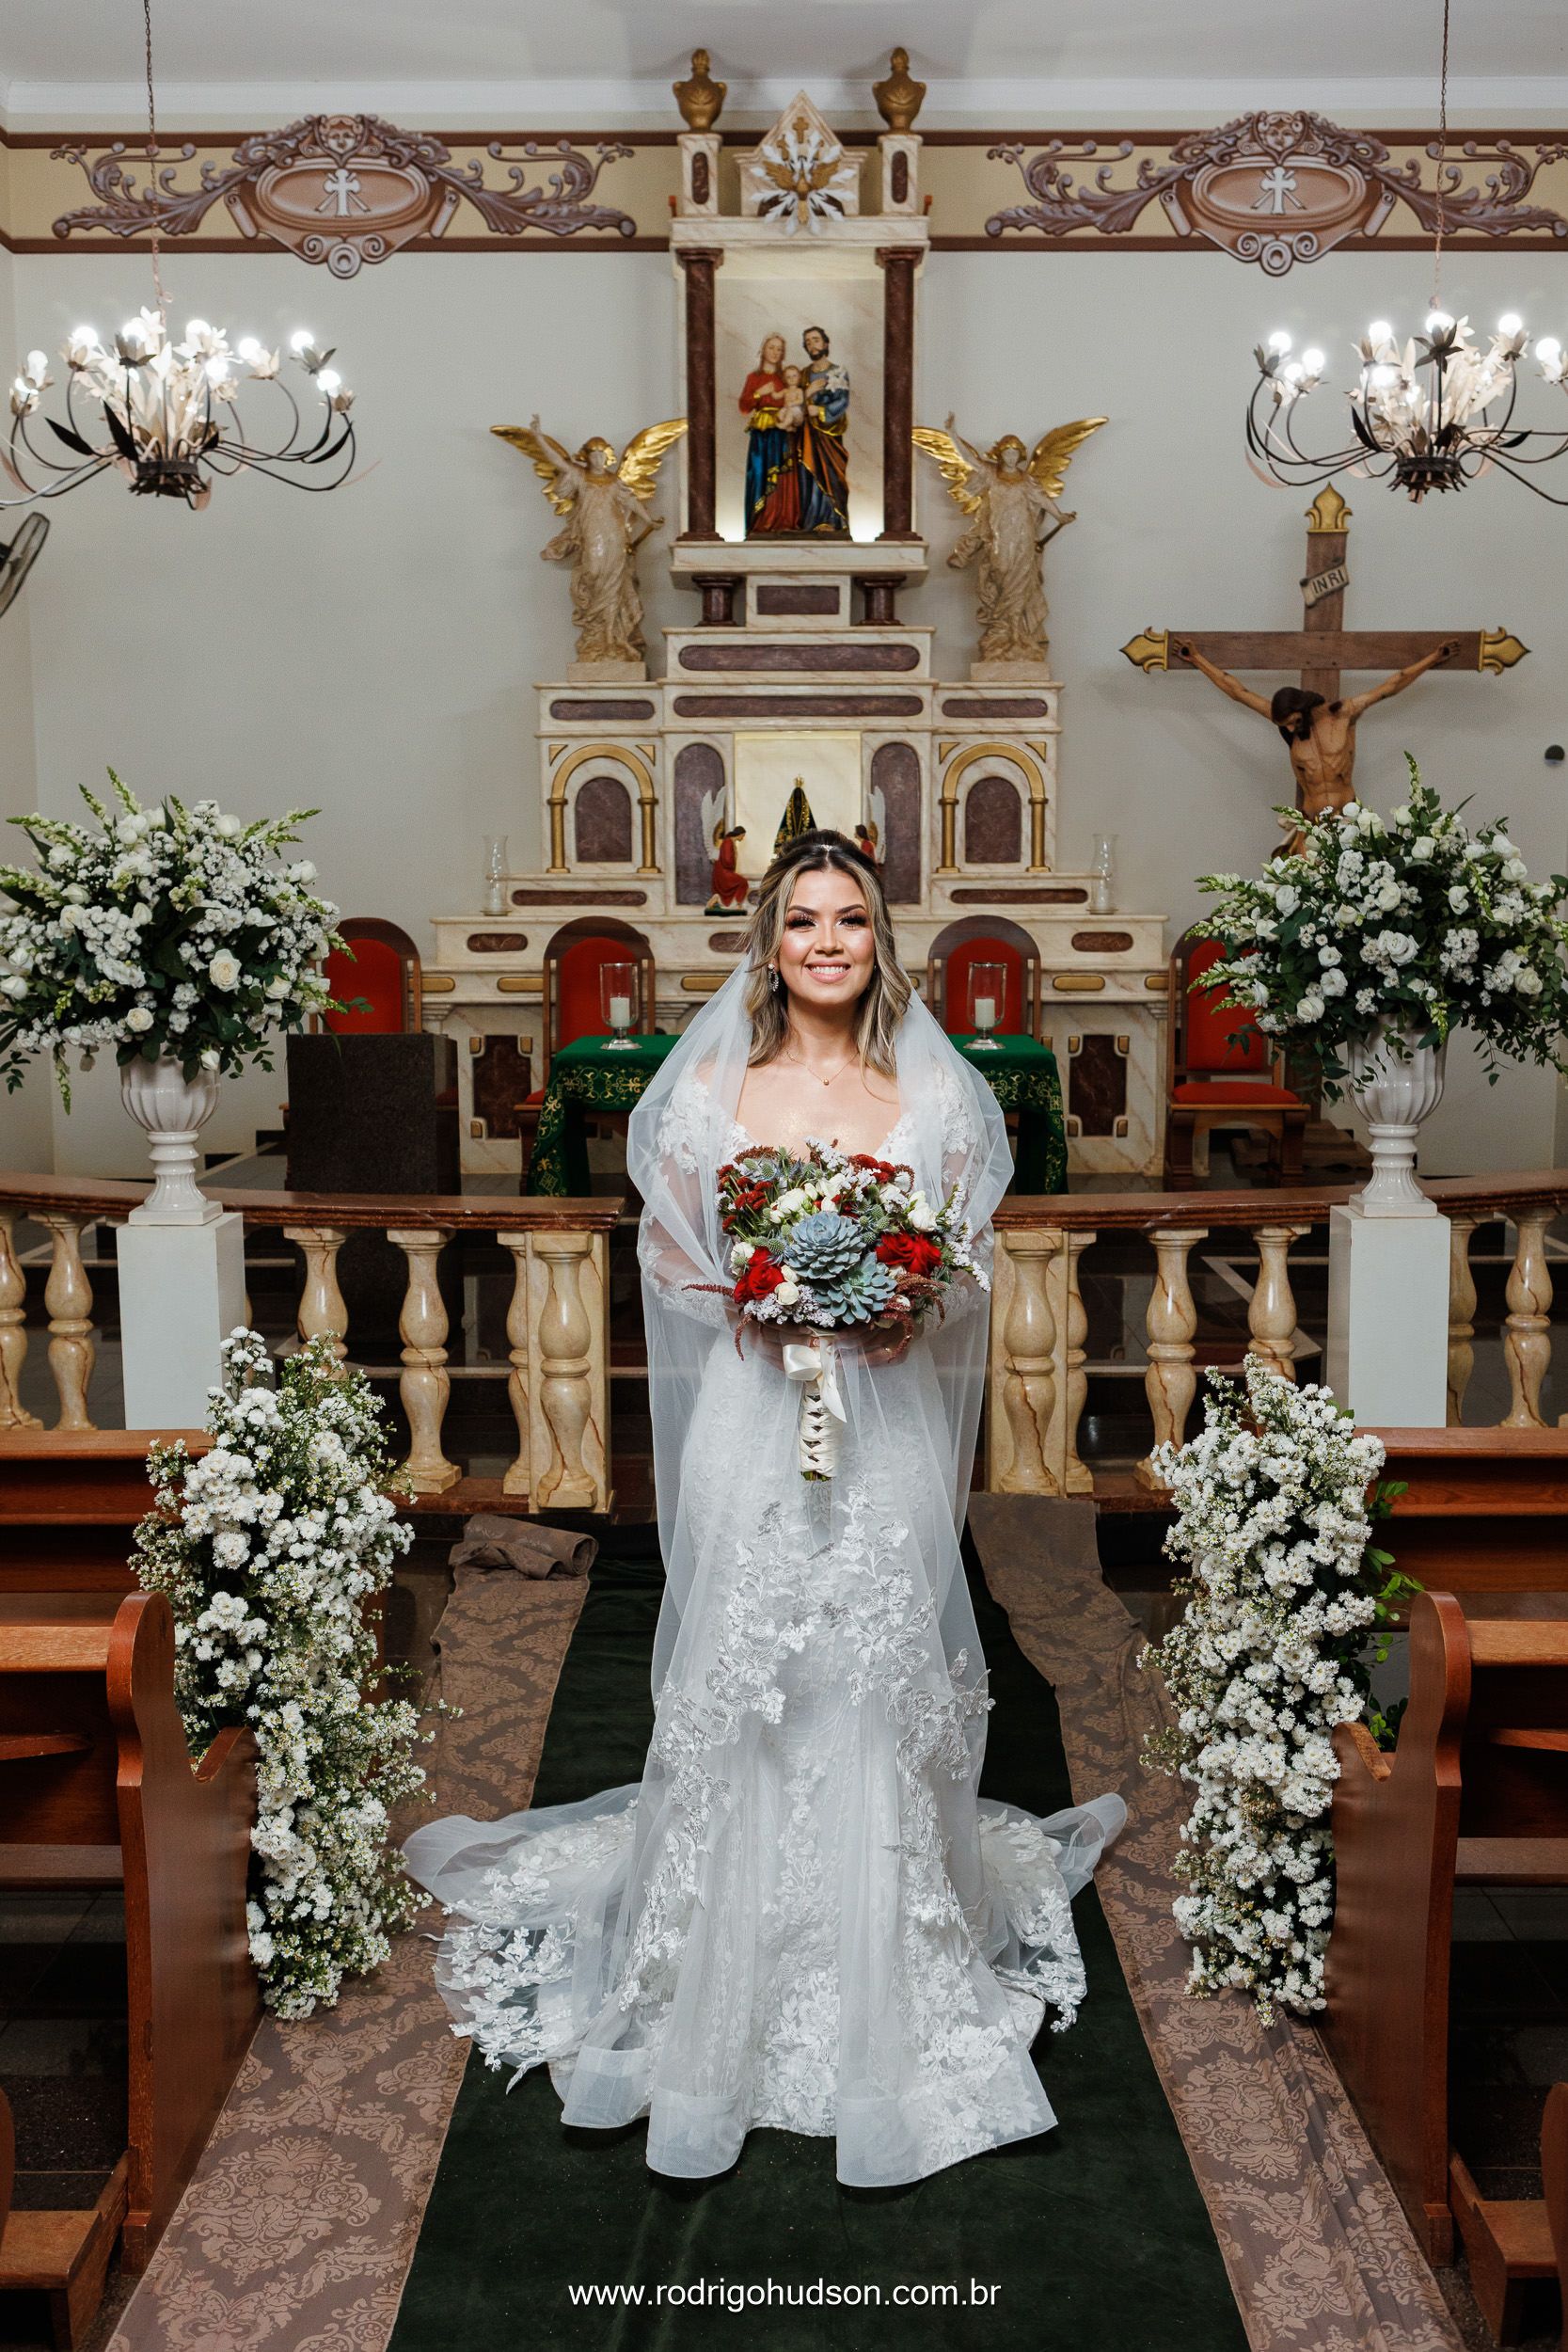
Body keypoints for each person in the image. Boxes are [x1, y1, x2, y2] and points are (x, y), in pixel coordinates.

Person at [404, 830, 1124, 2187]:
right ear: (769, 941)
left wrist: (906, 1308)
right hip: (755, 1421)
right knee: (749, 1668)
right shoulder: (714, 1089)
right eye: (804, 921)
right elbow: (672, 1255)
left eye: (850, 920)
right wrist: (756, 1297)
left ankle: (880, 1957)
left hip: (881, 1432)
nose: (828, 944)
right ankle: (711, 1960)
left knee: (870, 1664)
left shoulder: (934, 1095)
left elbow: (960, 1264)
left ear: (878, 939)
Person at [1177, 638, 1458, 843]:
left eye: (1290, 721)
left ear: (1300, 708)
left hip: (1348, 820)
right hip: (1310, 823)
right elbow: (1238, 691)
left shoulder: (1343, 714)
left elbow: (1392, 685)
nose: (1287, 728)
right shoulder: (1289, 725)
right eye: (1283, 723)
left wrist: (1433, 658)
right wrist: (1198, 658)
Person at [739, 332, 799, 535]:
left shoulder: (785, 378)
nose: (775, 352)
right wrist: (759, 393)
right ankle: (760, 523)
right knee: (760, 473)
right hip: (762, 434)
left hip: (783, 432)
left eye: (779, 349)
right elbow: (744, 407)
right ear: (763, 349)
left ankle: (784, 521)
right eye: (771, 347)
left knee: (783, 476)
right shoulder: (754, 378)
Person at [798, 326, 850, 534]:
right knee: (807, 476)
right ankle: (810, 521)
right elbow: (791, 401)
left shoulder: (838, 372)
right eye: (808, 342)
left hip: (830, 435)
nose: (812, 345)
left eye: (816, 340)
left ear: (826, 343)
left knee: (830, 475)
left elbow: (842, 402)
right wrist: (805, 397)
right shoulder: (802, 374)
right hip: (806, 435)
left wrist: (818, 411)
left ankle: (833, 520)